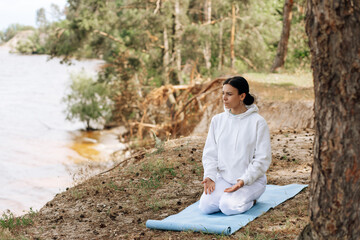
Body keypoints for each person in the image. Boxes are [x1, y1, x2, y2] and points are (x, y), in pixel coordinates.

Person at [199, 76, 271, 216]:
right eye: (223, 93)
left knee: (228, 207)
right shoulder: (217, 120)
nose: (224, 98)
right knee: (206, 207)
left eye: (229, 94)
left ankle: (253, 200)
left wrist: (243, 181)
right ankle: (229, 197)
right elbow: (210, 153)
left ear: (242, 96)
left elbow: (262, 159)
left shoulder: (257, 122)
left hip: (251, 181)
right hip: (225, 179)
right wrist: (210, 176)